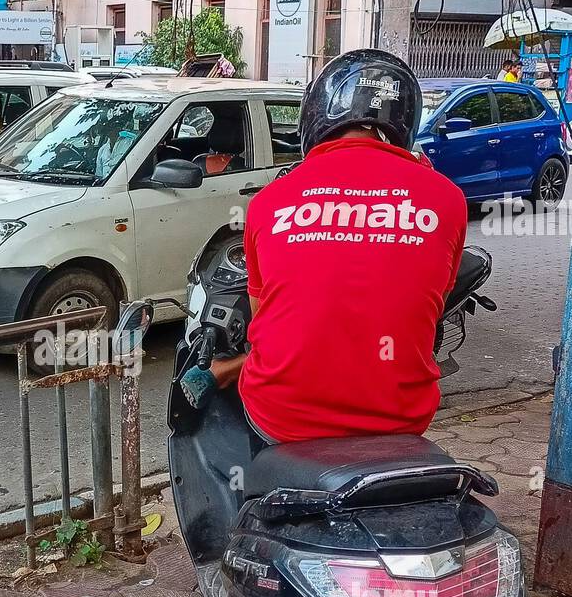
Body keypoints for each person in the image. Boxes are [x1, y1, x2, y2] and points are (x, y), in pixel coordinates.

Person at [180, 48, 467, 445]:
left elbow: (264, 322)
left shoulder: (270, 202)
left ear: (316, 116)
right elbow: (432, 304)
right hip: (402, 420)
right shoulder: (447, 200)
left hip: (283, 421)